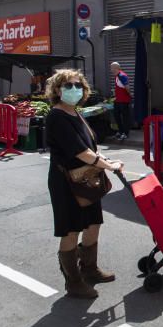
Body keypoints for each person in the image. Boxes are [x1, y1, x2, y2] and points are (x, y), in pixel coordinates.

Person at [44, 69, 124, 298]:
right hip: (66, 181)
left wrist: (106, 160)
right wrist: (108, 166)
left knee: (93, 224)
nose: (74, 89)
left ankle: (90, 269)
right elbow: (79, 151)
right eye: (68, 86)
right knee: (70, 230)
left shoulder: (75, 113)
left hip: (85, 179)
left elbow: (89, 148)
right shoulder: (56, 116)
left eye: (78, 85)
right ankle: (73, 282)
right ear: (58, 90)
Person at [110, 61, 132, 141]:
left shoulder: (122, 75)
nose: (111, 70)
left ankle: (125, 133)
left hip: (124, 100)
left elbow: (127, 87)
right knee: (116, 115)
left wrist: (130, 95)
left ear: (117, 68)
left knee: (125, 117)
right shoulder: (117, 76)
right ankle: (120, 131)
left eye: (112, 68)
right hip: (118, 100)